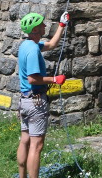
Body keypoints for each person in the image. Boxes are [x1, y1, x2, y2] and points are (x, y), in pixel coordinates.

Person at [16, 11, 69, 178]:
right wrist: (54, 79)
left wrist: (62, 25)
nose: (45, 26)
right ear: (34, 30)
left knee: (25, 141)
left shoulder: (27, 45)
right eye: (41, 25)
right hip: (35, 102)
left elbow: (52, 45)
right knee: (36, 146)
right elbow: (33, 79)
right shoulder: (32, 50)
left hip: (25, 101)